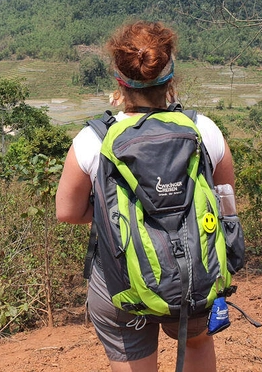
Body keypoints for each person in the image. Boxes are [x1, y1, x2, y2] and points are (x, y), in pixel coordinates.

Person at [55, 21, 236, 372]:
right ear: (171, 77)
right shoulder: (203, 129)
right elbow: (224, 197)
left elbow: (67, 211)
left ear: (119, 80)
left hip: (119, 281)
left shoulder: (92, 140)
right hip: (193, 275)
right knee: (197, 343)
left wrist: (121, 212)